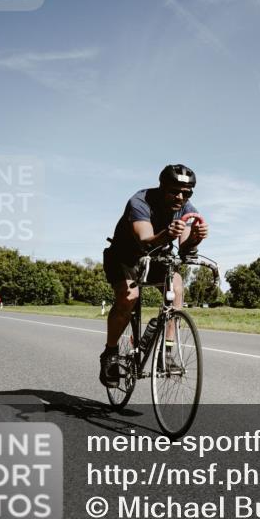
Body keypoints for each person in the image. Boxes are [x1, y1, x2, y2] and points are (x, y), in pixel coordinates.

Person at [98, 164, 209, 387]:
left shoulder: (187, 209)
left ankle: (165, 354)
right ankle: (110, 352)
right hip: (124, 256)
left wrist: (196, 238)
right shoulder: (140, 202)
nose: (180, 197)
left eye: (186, 193)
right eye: (174, 191)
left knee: (177, 288)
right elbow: (145, 240)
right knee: (129, 297)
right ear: (162, 187)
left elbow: (185, 249)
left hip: (157, 257)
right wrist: (167, 234)